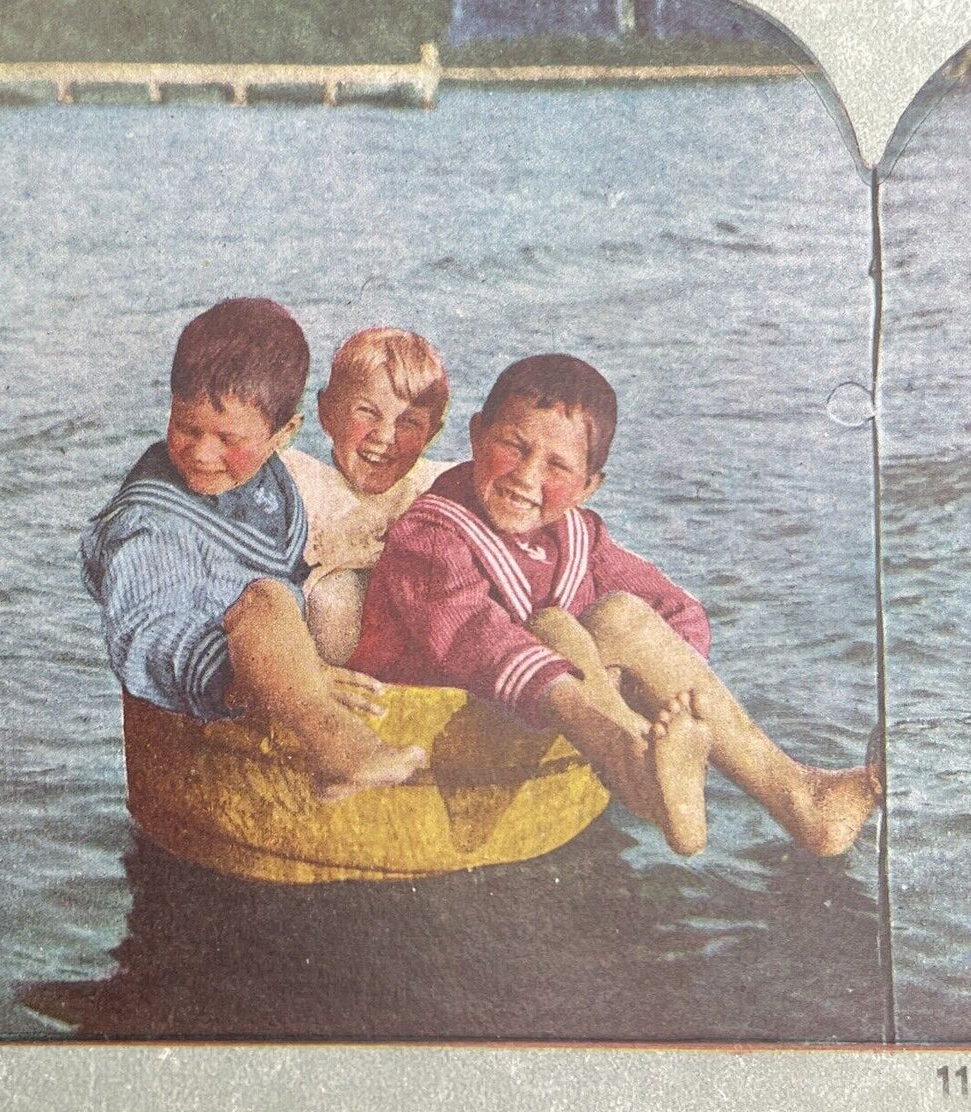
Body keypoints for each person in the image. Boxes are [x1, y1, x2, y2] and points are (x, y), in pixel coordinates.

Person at [352, 353, 882, 857]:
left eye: (557, 465)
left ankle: (800, 797)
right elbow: (476, 638)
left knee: (620, 615)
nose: (526, 475)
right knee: (558, 626)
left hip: (561, 709)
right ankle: (642, 771)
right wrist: (595, 681)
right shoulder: (431, 535)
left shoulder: (577, 536)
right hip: (438, 705)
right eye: (513, 446)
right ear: (475, 435)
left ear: (588, 487)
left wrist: (641, 688)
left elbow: (674, 613)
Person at [81, 298, 427, 801]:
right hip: (211, 677)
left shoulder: (272, 485)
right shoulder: (149, 521)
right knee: (267, 601)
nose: (202, 452)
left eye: (228, 438)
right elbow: (146, 634)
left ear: (283, 434)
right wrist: (272, 679)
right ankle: (341, 751)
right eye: (186, 427)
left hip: (278, 657)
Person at [280, 328, 454, 665]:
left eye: (410, 423)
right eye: (368, 412)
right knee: (336, 596)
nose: (385, 436)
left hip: (408, 659)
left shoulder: (434, 487)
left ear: (431, 433)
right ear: (327, 412)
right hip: (323, 661)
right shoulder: (299, 481)